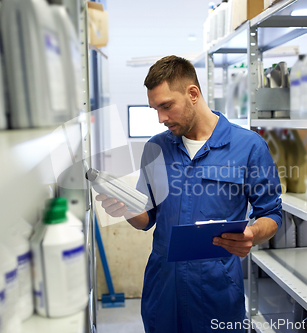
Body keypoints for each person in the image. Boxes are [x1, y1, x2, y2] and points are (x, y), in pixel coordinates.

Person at [96, 55, 282, 333]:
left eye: (166, 106)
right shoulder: (156, 148)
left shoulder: (249, 147)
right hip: (163, 290)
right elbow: (147, 219)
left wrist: (252, 235)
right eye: (155, 109)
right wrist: (125, 208)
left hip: (216, 292)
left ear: (192, 93)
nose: (161, 118)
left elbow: (271, 214)